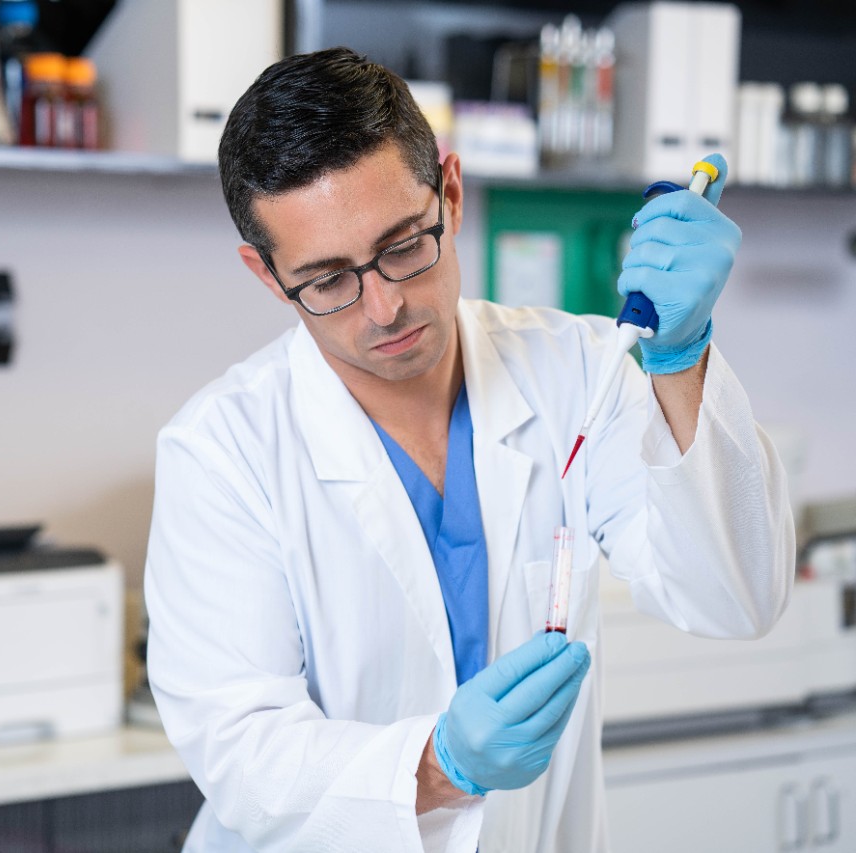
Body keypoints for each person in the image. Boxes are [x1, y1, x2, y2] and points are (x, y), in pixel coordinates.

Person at [143, 47, 794, 853]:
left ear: (450, 191)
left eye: (404, 244)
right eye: (327, 279)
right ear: (269, 276)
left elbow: (734, 597)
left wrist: (683, 354)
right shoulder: (222, 452)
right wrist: (438, 764)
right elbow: (242, 755)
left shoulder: (575, 374)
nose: (383, 306)